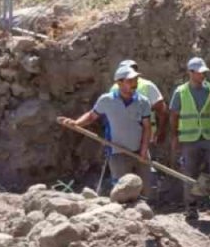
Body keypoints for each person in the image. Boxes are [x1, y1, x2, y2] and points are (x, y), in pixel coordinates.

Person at [59, 65, 153, 196]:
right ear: (119, 82)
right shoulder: (106, 100)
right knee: (122, 191)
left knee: (145, 189)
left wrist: (144, 150)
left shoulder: (143, 102)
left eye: (135, 80)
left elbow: (147, 127)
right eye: (130, 81)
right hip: (117, 151)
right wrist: (76, 123)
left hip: (140, 152)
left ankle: (144, 213)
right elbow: (92, 116)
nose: (134, 84)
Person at [169, 57, 210, 210]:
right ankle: (191, 206)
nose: (202, 75)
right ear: (190, 73)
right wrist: (174, 137)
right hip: (189, 139)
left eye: (204, 72)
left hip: (209, 136)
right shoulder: (181, 92)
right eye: (199, 73)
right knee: (189, 174)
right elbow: (174, 115)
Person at [111, 60, 168, 145]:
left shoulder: (147, 86)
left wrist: (160, 131)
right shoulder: (114, 89)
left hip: (144, 137)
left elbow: (162, 110)